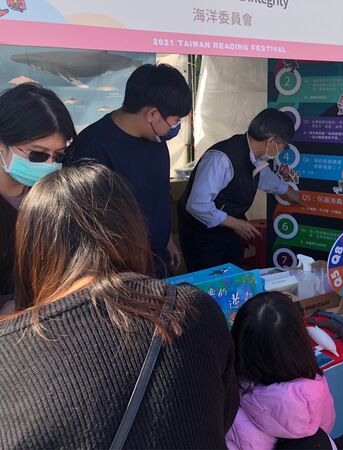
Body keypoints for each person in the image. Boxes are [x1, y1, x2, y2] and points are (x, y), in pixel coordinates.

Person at [0, 164, 238, 448]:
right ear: (132, 228)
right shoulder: (193, 311)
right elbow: (223, 413)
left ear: (32, 247)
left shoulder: (9, 351)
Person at [68, 63, 192, 276]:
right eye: (175, 121)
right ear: (152, 114)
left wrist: (167, 239)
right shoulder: (91, 148)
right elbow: (86, 226)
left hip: (158, 259)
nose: (175, 128)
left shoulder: (156, 139)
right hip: (119, 270)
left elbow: (159, 193)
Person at [178, 108, 302, 272]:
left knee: (233, 275)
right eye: (283, 146)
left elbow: (265, 177)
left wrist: (288, 191)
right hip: (201, 233)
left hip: (228, 228)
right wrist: (236, 224)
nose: (281, 152)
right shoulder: (220, 159)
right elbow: (197, 205)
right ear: (271, 141)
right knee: (209, 280)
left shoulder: (254, 155)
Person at [226, 291, 335, 450]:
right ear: (300, 340)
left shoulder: (230, 403)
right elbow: (326, 425)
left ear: (238, 342)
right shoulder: (317, 385)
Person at [0, 83, 75, 312]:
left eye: (58, 156)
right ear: (2, 147)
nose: (49, 164)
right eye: (38, 155)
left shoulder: (56, 198)